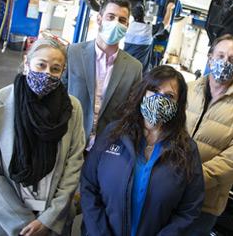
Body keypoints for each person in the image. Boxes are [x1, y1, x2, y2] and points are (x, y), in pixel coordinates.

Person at [0, 37, 86, 236]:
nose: (47, 73)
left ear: (62, 72)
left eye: (55, 69)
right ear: (26, 63)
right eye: (41, 65)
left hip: (49, 221)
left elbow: (73, 165)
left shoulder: (72, 109)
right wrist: (21, 222)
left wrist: (49, 220)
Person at [80, 65, 204, 236]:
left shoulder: (187, 150)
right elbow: (89, 185)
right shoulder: (113, 133)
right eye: (154, 90)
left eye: (169, 96)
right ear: (143, 93)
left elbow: (190, 208)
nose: (159, 99)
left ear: (178, 106)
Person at [186, 34, 233, 235]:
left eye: (232, 60)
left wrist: (192, 179)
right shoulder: (187, 90)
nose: (224, 62)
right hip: (165, 190)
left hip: (204, 205)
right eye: (220, 55)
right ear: (210, 57)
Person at [62, 0, 142, 151]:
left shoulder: (134, 68)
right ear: (99, 19)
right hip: (69, 143)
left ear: (127, 25)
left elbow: (131, 113)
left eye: (122, 20)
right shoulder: (73, 53)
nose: (116, 23)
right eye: (110, 17)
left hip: (105, 149)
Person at [124, 2, 174, 72]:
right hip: (140, 70)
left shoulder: (128, 27)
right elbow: (166, 23)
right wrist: (169, 9)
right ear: (144, 15)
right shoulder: (148, 29)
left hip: (126, 65)